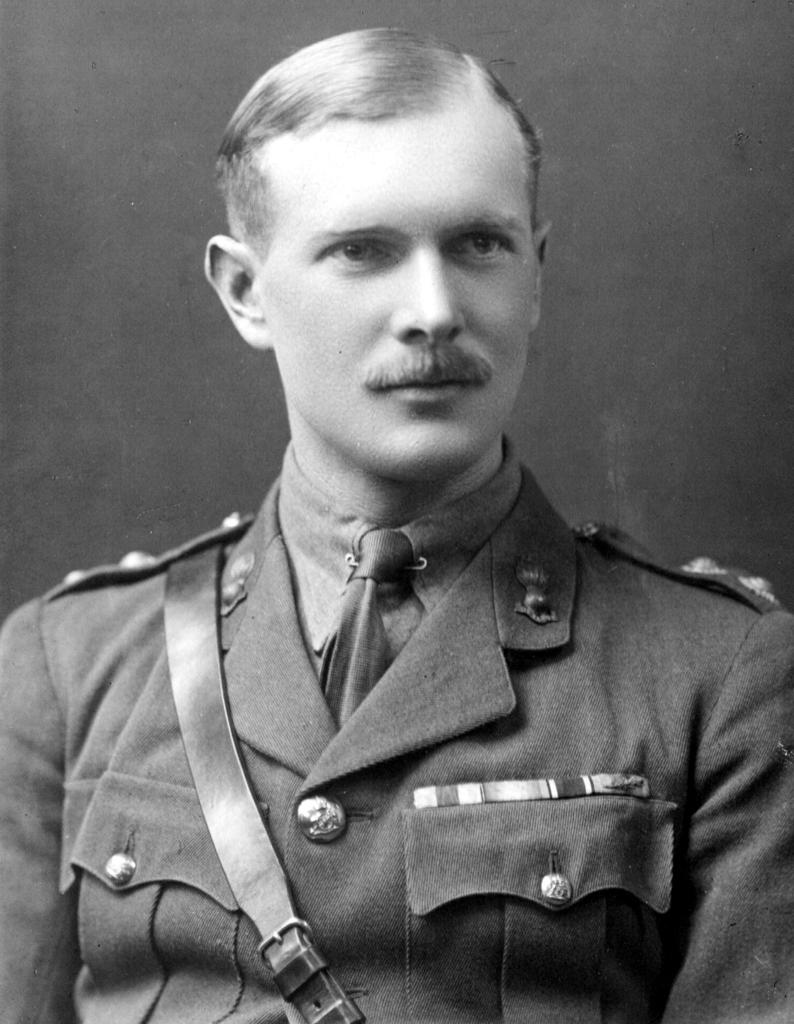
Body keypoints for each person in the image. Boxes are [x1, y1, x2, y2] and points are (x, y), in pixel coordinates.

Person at [1, 26, 792, 1024]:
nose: (433, 309)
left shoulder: (719, 676)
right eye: (363, 251)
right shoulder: (67, 667)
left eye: (479, 245)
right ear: (245, 292)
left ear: (535, 275)